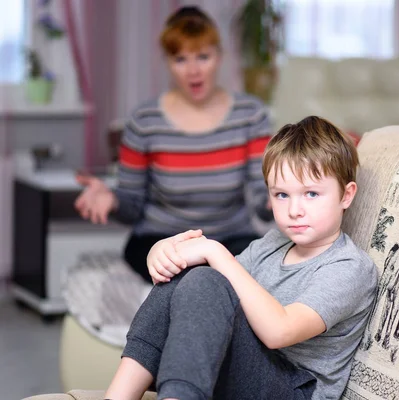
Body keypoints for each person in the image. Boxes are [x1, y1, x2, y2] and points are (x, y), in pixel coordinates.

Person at [104, 116, 378, 400]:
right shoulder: (273, 244)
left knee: (206, 277)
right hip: (250, 376)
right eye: (282, 195)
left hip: (296, 390)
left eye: (311, 193)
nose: (295, 209)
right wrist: (163, 251)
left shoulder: (349, 268)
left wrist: (214, 251)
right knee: (188, 276)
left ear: (346, 196)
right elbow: (217, 292)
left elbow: (279, 331)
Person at [74, 6, 272, 284]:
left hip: (231, 239)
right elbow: (131, 206)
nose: (193, 70)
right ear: (167, 62)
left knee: (250, 268)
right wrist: (112, 199)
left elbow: (261, 200)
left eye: (203, 56)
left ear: (219, 57)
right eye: (181, 59)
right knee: (194, 278)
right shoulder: (144, 121)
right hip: (160, 240)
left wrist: (282, 196)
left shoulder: (251, 115)